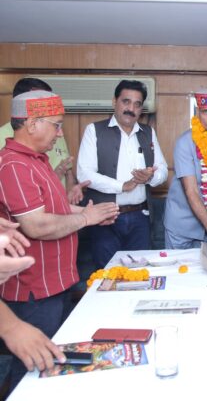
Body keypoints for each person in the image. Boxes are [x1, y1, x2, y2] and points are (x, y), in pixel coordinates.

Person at [0, 90, 119, 390]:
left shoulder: (37, 161)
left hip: (56, 284)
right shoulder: (14, 165)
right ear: (32, 124)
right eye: (56, 125)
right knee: (32, 367)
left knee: (55, 362)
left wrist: (90, 213)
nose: (60, 133)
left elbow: (56, 209)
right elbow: (36, 225)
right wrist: (86, 219)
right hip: (34, 291)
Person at [77, 80, 168, 268]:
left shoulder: (148, 133)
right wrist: (122, 186)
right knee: (107, 274)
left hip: (140, 218)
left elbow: (163, 170)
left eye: (137, 104)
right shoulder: (94, 130)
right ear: (114, 102)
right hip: (105, 218)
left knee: (139, 274)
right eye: (126, 102)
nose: (131, 109)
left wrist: (150, 177)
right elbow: (84, 174)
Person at [164, 89, 207, 249]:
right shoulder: (184, 142)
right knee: (179, 266)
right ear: (197, 113)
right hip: (182, 226)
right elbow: (191, 191)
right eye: (205, 112)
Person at [0, 78, 84, 204]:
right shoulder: (10, 153)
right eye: (41, 98)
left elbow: (67, 167)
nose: (48, 103)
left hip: (58, 206)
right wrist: (51, 178)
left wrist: (70, 188)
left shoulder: (54, 133)